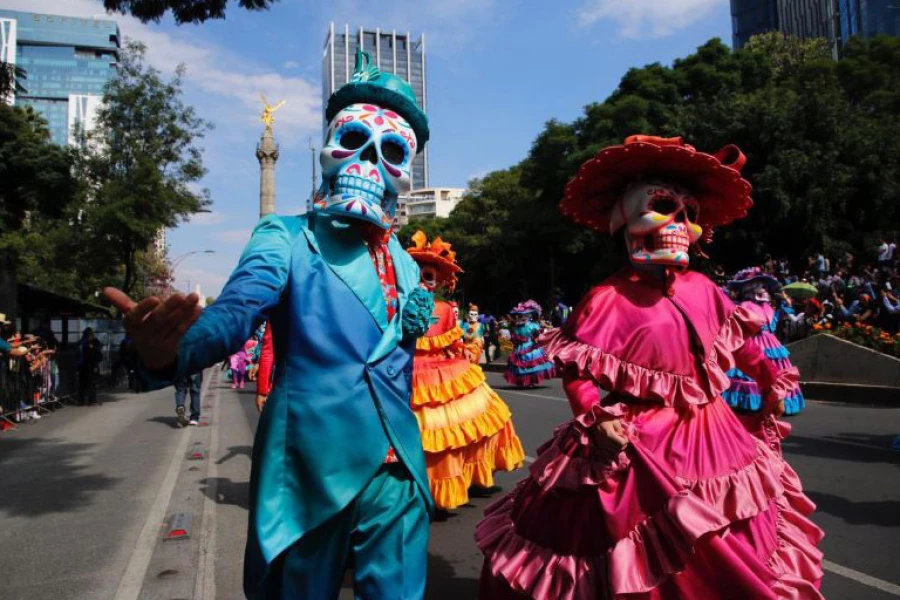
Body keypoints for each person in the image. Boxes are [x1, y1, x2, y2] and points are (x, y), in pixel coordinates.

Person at [105, 48, 436, 599]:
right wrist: (176, 348)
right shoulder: (284, 236)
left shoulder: (403, 259)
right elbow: (237, 312)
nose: (368, 163)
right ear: (329, 150)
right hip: (312, 469)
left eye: (392, 151)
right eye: (352, 141)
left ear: (403, 172)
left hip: (398, 470)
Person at [477, 135, 823, 599]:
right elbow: (578, 369)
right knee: (636, 545)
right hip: (641, 440)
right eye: (662, 206)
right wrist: (595, 418)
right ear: (624, 221)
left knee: (730, 534)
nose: (680, 224)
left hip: (716, 434)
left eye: (690, 214)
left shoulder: (704, 287)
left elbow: (740, 342)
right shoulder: (606, 299)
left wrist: (770, 377)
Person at [407, 231, 524, 511]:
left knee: (484, 417)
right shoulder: (399, 305)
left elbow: (454, 340)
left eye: (428, 275)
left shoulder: (446, 308)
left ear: (437, 279)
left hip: (444, 372)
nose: (423, 280)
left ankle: (472, 476)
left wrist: (467, 351)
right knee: (431, 433)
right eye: (418, 274)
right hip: (408, 370)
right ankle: (425, 487)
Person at [724, 268, 806, 419]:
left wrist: (783, 304)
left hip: (770, 341)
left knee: (773, 369)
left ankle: (779, 400)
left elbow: (773, 322)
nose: (761, 288)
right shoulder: (745, 305)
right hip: (753, 341)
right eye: (756, 284)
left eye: (762, 285)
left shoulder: (767, 307)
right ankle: (752, 402)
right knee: (754, 369)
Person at [504, 300, 555, 388]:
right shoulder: (521, 326)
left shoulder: (530, 325)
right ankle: (526, 382)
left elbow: (537, 336)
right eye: (520, 315)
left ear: (529, 315)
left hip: (528, 346)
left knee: (530, 364)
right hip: (522, 347)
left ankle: (529, 381)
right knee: (524, 365)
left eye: (524, 315)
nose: (521, 317)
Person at [77, 328, 103, 406]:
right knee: (90, 383)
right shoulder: (89, 342)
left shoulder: (85, 342)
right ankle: (91, 399)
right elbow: (97, 354)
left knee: (85, 383)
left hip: (85, 365)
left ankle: (83, 400)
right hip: (89, 366)